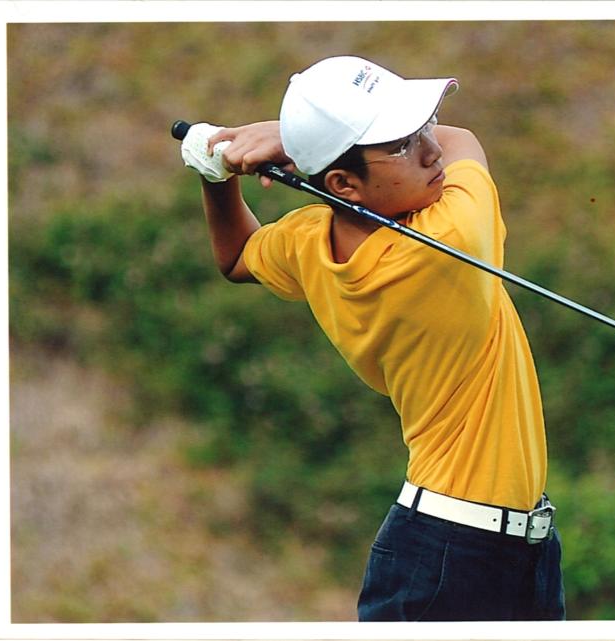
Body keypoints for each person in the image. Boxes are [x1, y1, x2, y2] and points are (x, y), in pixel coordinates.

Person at [179, 55, 564, 621]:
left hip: (474, 547)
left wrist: (215, 175)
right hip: (455, 554)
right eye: (404, 145)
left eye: (421, 130)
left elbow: (236, 256)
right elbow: (466, 141)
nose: (431, 150)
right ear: (342, 184)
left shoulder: (310, 241)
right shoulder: (450, 238)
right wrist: (289, 138)